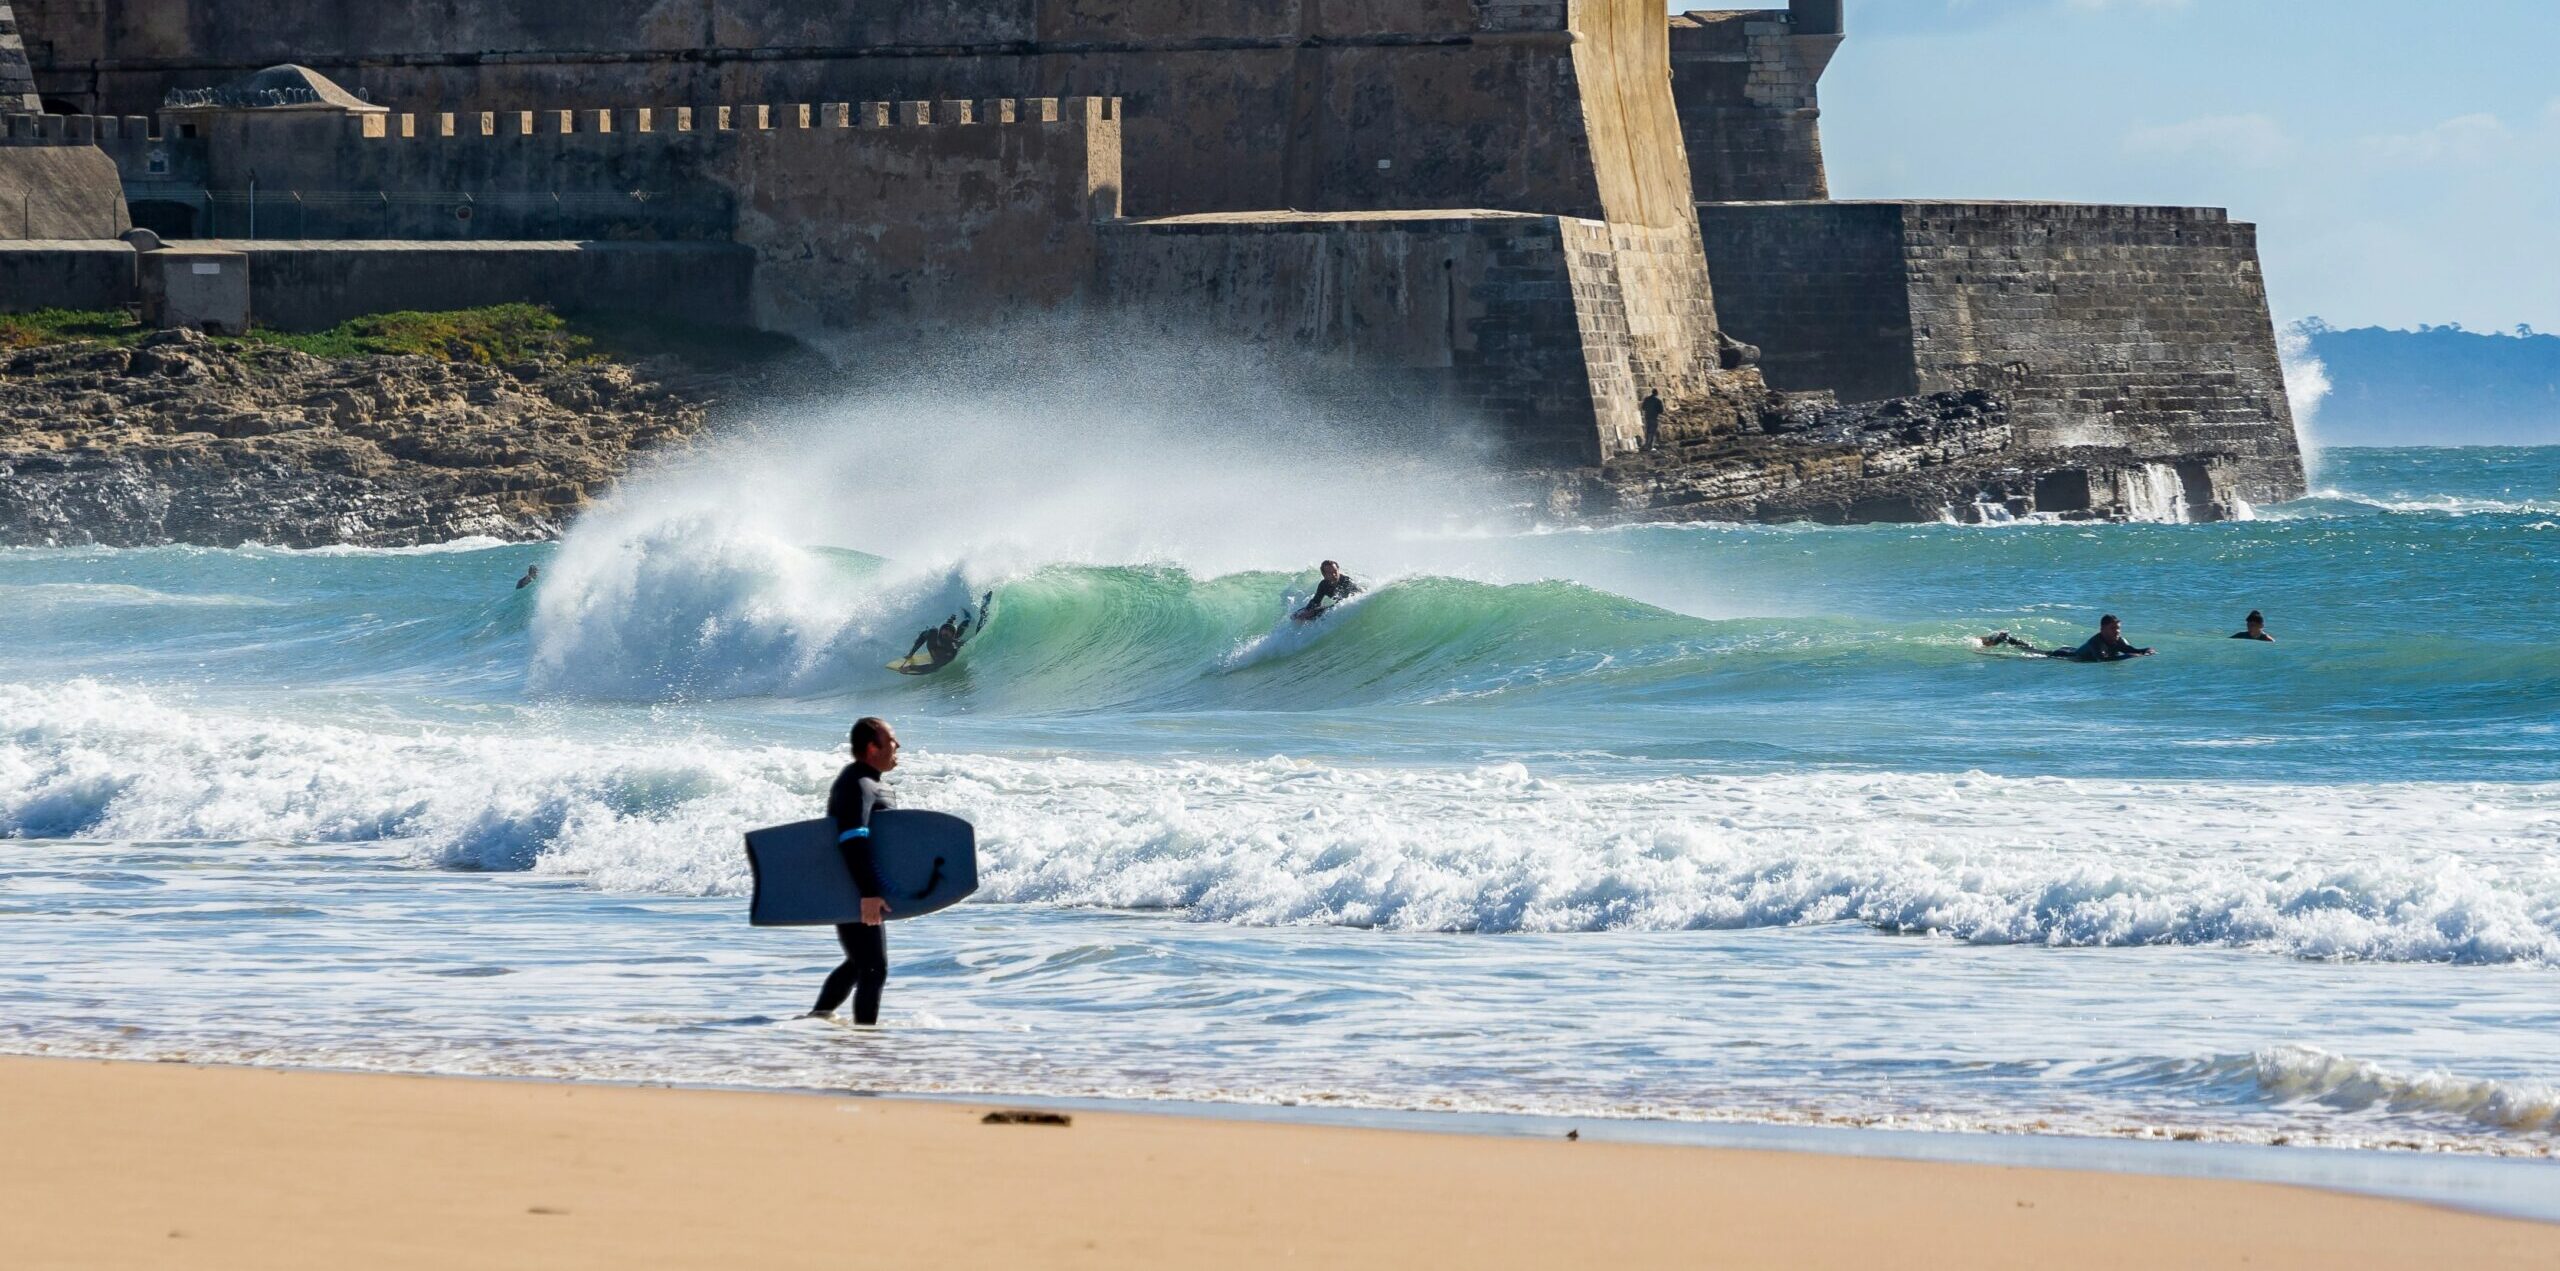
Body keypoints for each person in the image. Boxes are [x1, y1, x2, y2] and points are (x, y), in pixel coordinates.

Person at [809, 717, 898, 1024]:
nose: (897, 747)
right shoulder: (857, 783)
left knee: (860, 963)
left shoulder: (871, 782)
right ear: (873, 748)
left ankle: (818, 1018)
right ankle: (865, 1045)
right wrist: (868, 893)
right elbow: (851, 836)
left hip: (856, 886)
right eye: (891, 742)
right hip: (853, 887)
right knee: (873, 968)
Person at [1982, 614, 2155, 662]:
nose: (2117, 632)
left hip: (2072, 649)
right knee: (2033, 652)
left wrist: (2145, 650)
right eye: (2113, 629)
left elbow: (2133, 650)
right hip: (2064, 655)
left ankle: (2007, 638)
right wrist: (2127, 657)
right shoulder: (2096, 642)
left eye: (2118, 629)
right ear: (2102, 629)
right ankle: (2006, 638)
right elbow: (2103, 660)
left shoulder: (2119, 641)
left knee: (2033, 649)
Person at [1293, 561, 1361, 622]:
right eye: (1330, 573)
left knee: (1317, 612)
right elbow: (1316, 601)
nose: (1334, 574)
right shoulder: (1323, 584)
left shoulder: (1346, 581)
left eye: (1335, 571)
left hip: (1348, 606)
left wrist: (1313, 612)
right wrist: (1306, 610)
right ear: (1324, 575)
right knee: (1296, 615)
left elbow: (1357, 595)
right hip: (1338, 606)